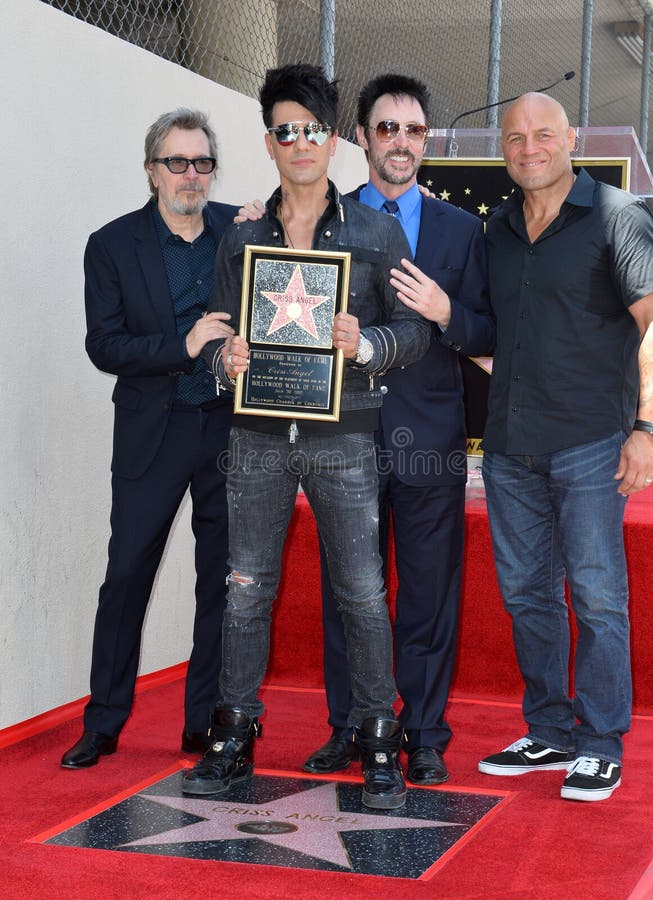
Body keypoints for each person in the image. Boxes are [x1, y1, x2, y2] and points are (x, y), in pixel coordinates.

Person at [181, 64, 430, 810]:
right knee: (245, 589)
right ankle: (233, 733)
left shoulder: (376, 231)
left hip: (345, 436)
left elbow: (415, 331)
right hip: (256, 436)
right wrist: (227, 364)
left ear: (333, 141)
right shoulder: (243, 236)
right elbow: (224, 336)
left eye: (311, 130)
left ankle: (378, 735)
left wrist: (370, 343)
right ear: (268, 142)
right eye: (285, 131)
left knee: (360, 591)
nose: (299, 143)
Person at [477, 93, 653, 802]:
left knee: (595, 596)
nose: (527, 148)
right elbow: (487, 330)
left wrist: (647, 429)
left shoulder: (618, 216)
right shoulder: (495, 228)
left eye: (541, 135)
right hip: (507, 448)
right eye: (513, 138)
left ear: (569, 140)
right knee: (526, 595)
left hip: (591, 442)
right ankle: (549, 731)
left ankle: (597, 742)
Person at [300, 74, 494, 787]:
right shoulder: (323, 219)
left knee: (427, 592)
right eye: (387, 129)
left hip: (430, 441)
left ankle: (424, 732)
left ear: (426, 141)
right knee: (346, 590)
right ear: (362, 137)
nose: (401, 143)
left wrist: (446, 312)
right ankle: (350, 725)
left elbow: (483, 330)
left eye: (413, 131)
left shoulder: (461, 230)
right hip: (340, 439)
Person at [61, 109, 237, 769]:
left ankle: (203, 724)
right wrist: (182, 344)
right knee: (125, 577)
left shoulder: (240, 233)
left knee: (221, 581)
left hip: (228, 432)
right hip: (151, 435)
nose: (190, 175)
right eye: (177, 162)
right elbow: (103, 343)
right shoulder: (111, 245)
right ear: (151, 170)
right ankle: (103, 723)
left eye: (201, 163)